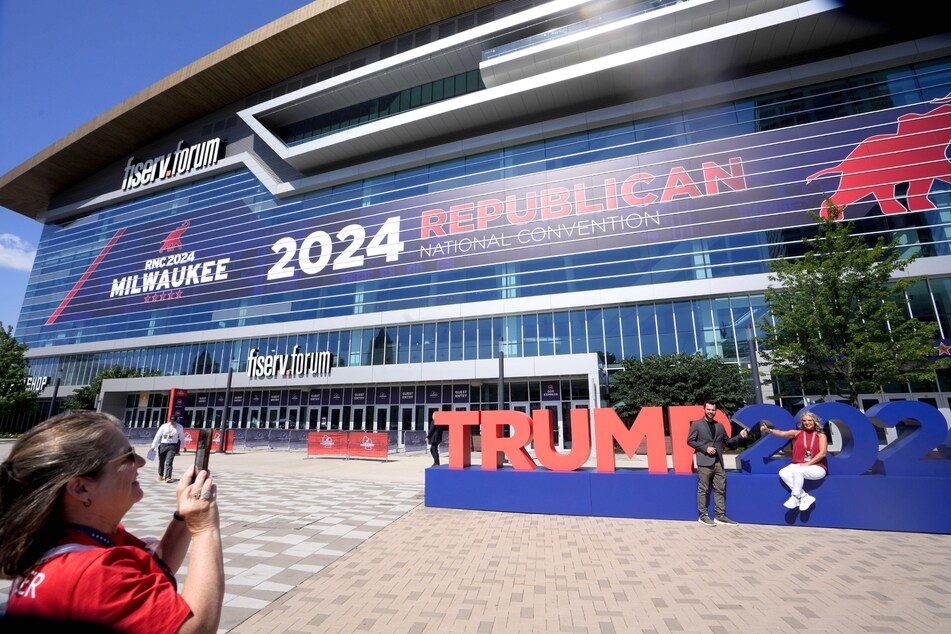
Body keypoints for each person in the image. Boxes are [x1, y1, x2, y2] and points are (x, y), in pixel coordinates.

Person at [0, 412, 223, 633]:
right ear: (81, 488)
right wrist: (205, 529)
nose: (141, 462)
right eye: (128, 456)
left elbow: (154, 571)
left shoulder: (63, 538)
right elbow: (196, 629)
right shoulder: (92, 571)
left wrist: (185, 515)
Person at [687, 399, 749, 527]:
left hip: (718, 462)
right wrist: (705, 448)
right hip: (704, 462)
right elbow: (690, 441)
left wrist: (740, 436)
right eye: (708, 409)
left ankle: (720, 516)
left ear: (716, 411)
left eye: (713, 410)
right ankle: (703, 516)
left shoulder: (719, 426)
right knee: (703, 489)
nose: (711, 412)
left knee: (720, 489)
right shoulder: (697, 424)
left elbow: (728, 442)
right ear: (704, 409)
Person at [760, 411, 828, 511]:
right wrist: (768, 430)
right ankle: (805, 497)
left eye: (809, 420)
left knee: (798, 471)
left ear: (814, 421)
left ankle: (795, 497)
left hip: (817, 467)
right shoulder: (798, 433)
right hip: (799, 465)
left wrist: (808, 464)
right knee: (783, 472)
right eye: (804, 421)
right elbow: (782, 433)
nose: (807, 423)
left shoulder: (821, 435)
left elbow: (822, 453)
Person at [151, 417, 186, 483]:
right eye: (171, 421)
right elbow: (157, 436)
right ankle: (160, 474)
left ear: (176, 421)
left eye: (174, 421)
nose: (172, 422)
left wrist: (184, 446)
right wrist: (153, 446)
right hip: (163, 445)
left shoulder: (179, 427)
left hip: (172, 446)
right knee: (161, 461)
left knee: (169, 461)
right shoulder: (164, 426)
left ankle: (168, 477)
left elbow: (182, 436)